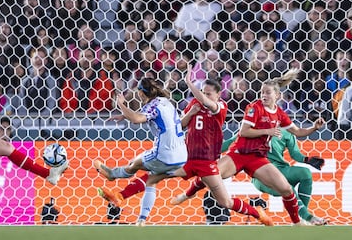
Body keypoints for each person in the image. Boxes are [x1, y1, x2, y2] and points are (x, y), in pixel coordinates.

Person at [97, 66, 273, 226]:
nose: (204, 95)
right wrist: (189, 113)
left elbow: (209, 103)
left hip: (207, 163)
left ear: (218, 95)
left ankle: (258, 215)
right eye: (203, 92)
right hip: (187, 159)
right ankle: (121, 197)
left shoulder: (220, 106)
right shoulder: (194, 105)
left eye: (209, 93)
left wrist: (189, 83)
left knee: (225, 202)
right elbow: (179, 126)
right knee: (152, 177)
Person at [171, 68, 326, 225]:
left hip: (257, 158)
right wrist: (268, 131)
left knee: (286, 189)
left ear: (277, 96)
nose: (264, 95)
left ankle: (297, 223)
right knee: (210, 174)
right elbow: (244, 132)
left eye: (267, 93)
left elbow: (298, 131)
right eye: (262, 92)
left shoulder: (279, 113)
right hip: (238, 154)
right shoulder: (254, 108)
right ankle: (186, 195)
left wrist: (314, 128)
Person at [94, 77, 188, 226]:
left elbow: (137, 119)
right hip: (182, 156)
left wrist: (122, 105)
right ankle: (142, 219)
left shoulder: (152, 106)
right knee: (151, 180)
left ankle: (113, 174)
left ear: (142, 93)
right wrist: (126, 115)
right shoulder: (165, 102)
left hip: (164, 154)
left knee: (134, 163)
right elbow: (147, 115)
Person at [220, 129, 328, 225]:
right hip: (260, 174)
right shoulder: (251, 128)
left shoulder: (287, 130)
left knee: (305, 173)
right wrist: (209, 151)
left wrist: (307, 160)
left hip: (281, 169)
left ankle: (302, 216)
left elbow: (295, 154)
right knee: (286, 186)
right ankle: (308, 217)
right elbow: (229, 143)